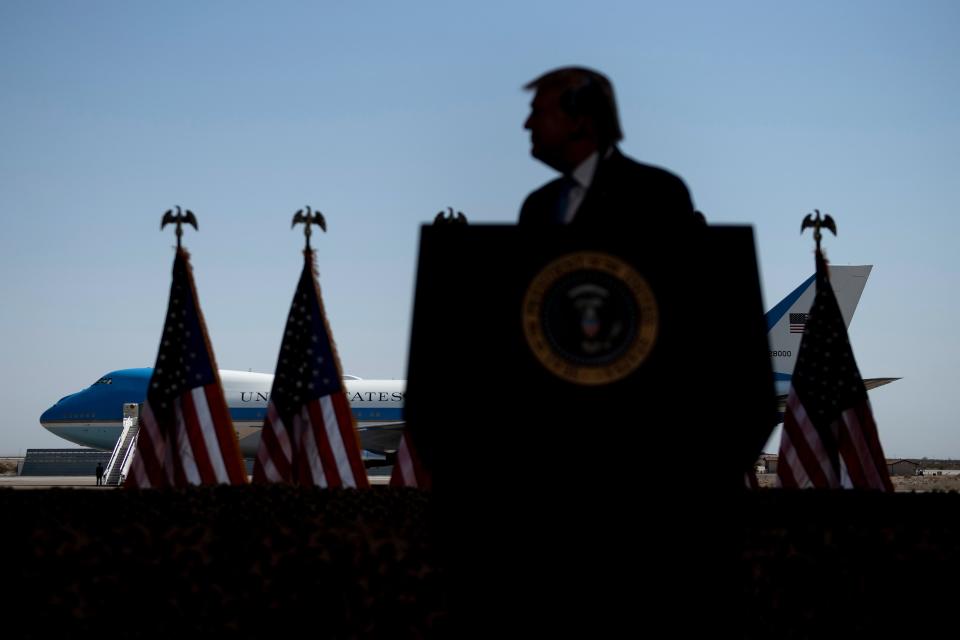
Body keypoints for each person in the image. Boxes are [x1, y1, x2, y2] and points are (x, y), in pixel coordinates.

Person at [518, 66, 703, 229]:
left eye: (537, 112)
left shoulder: (655, 193)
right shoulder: (537, 206)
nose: (527, 124)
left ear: (577, 121)